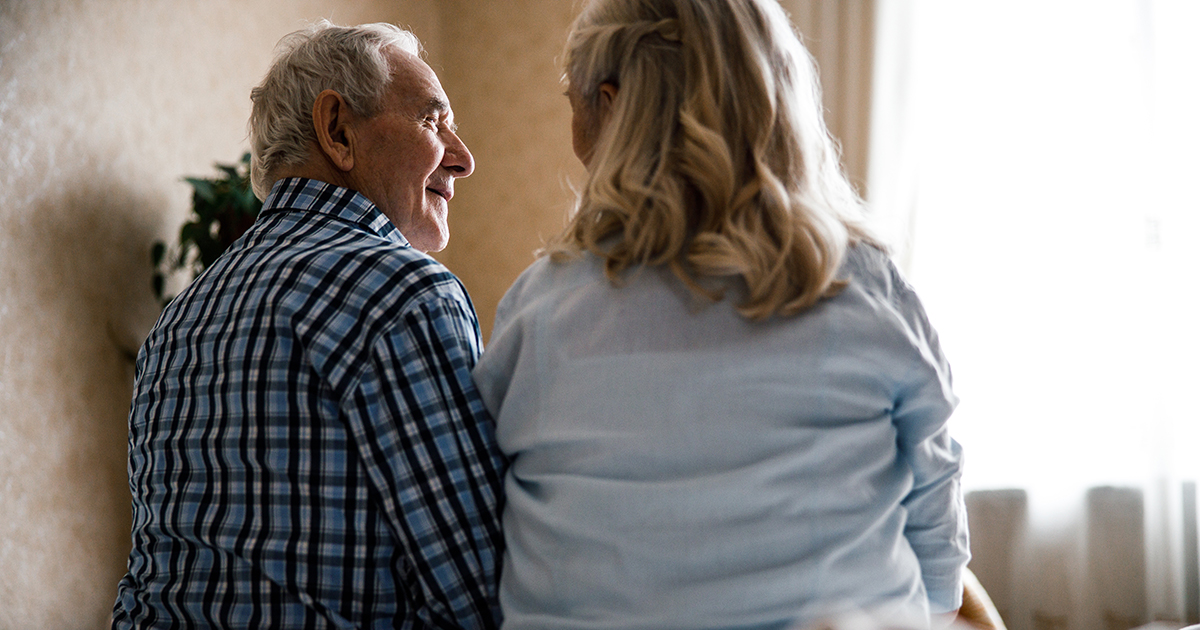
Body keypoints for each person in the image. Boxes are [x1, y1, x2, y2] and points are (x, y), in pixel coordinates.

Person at [471, 0, 969, 628]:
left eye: (575, 107)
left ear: (610, 106)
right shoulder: (864, 283)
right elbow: (936, 485)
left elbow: (491, 503)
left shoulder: (538, 308)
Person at [112, 21, 505, 629]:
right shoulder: (404, 295)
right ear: (338, 131)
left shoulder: (176, 323)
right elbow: (483, 591)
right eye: (434, 121)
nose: (464, 158)